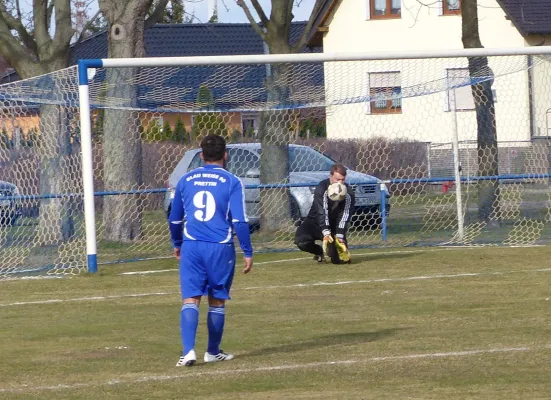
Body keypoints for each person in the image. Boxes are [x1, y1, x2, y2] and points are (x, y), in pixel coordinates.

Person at [169, 134, 253, 367]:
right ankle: (212, 351)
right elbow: (240, 221)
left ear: (202, 155)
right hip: (220, 247)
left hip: (192, 246)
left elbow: (175, 219)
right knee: (217, 300)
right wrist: (247, 251)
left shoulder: (186, 180)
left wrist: (177, 244)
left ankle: (188, 352)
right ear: (225, 155)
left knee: (190, 298)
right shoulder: (232, 181)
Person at [294, 164, 355, 264]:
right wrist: (325, 232)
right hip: (315, 222)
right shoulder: (322, 188)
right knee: (301, 241)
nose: (340, 183)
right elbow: (322, 212)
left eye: (342, 180)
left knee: (340, 260)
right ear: (330, 176)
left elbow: (345, 216)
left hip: (334, 227)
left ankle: (334, 250)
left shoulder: (348, 193)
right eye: (337, 179)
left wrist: (339, 236)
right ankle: (319, 252)